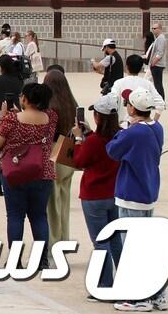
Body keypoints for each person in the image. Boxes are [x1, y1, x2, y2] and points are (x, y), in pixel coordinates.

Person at [106, 88, 167, 312]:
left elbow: (112, 150)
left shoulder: (133, 132)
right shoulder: (156, 128)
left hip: (131, 193)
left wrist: (123, 130)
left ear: (132, 108)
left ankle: (138, 298)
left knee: (132, 247)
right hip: (148, 191)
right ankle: (157, 294)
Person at [0, 82, 58, 256]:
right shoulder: (51, 117)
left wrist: (2, 118)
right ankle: (42, 259)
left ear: (26, 99)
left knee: (15, 216)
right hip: (43, 172)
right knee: (39, 217)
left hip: (15, 170)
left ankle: (15, 259)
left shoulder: (12, 119)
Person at [68, 94, 122, 292]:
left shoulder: (93, 141)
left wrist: (80, 138)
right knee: (115, 240)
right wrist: (88, 134)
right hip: (115, 193)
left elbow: (79, 161)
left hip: (94, 195)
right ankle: (124, 279)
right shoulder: (120, 136)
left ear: (99, 117)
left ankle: (105, 284)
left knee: (100, 242)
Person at [40, 68, 78, 245]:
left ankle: (53, 241)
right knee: (64, 198)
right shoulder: (72, 103)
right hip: (68, 151)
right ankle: (64, 238)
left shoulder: (48, 107)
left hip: (52, 151)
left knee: (52, 203)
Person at [0, 54, 25, 197]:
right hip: (16, 118)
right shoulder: (19, 81)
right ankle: (14, 182)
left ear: (0, 67)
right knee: (15, 153)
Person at [145, 22, 167, 99]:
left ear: (159, 29)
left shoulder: (161, 38)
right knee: (156, 84)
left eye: (155, 28)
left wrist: (153, 63)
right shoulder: (158, 38)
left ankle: (161, 101)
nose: (153, 30)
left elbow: (160, 53)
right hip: (156, 65)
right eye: (152, 28)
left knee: (158, 85)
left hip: (157, 65)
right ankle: (159, 100)